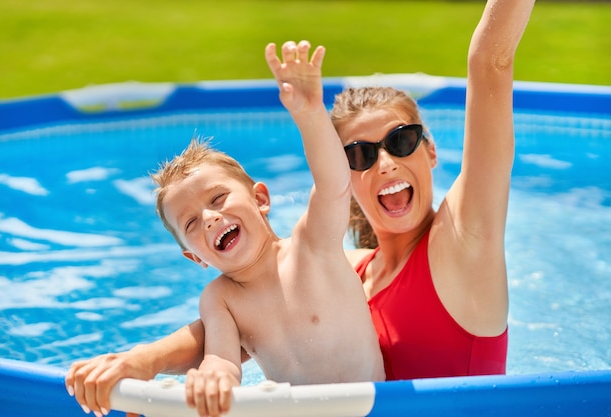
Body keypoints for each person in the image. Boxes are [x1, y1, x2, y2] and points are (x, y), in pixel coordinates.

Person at [66, 0, 535, 412]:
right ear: (345, 174)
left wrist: (308, 110)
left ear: (431, 152)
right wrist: (141, 361)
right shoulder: (354, 271)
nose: (386, 163)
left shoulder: (464, 239)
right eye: (359, 155)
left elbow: (490, 62)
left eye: (402, 141)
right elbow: (249, 311)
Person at [68, 41, 384, 417]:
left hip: (374, 410)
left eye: (218, 199)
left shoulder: (312, 246)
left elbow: (334, 183)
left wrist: (309, 112)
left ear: (261, 199)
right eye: (190, 222)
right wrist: (211, 378)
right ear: (193, 256)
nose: (209, 217)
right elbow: (223, 361)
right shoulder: (221, 299)